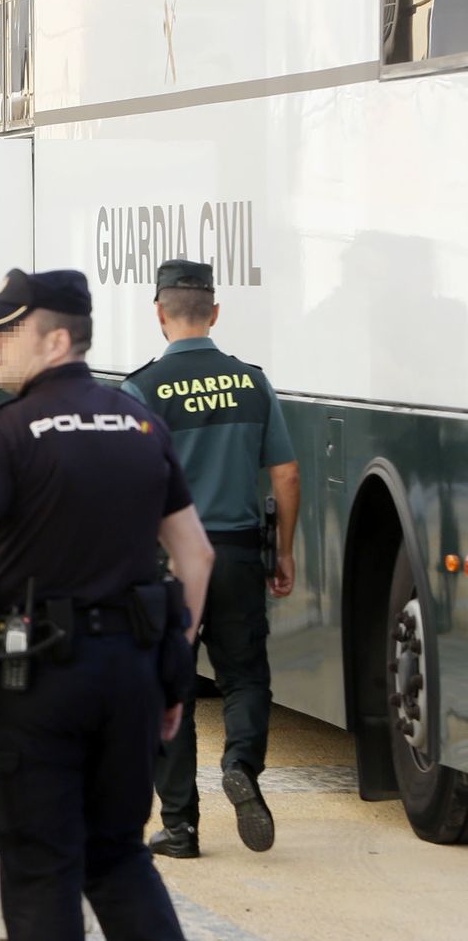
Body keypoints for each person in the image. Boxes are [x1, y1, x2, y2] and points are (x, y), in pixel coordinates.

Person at [0, 267, 214, 940]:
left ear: (55, 341)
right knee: (120, 857)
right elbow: (197, 557)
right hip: (131, 671)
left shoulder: (7, 432)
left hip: (39, 676)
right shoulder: (140, 423)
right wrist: (170, 667)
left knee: (41, 867)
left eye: (6, 335)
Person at [122, 259, 301, 859]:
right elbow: (286, 472)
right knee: (245, 674)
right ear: (216, 313)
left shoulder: (142, 390)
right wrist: (285, 552)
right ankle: (242, 765)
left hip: (170, 564)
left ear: (160, 313)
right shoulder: (252, 383)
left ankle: (181, 827)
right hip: (239, 554)